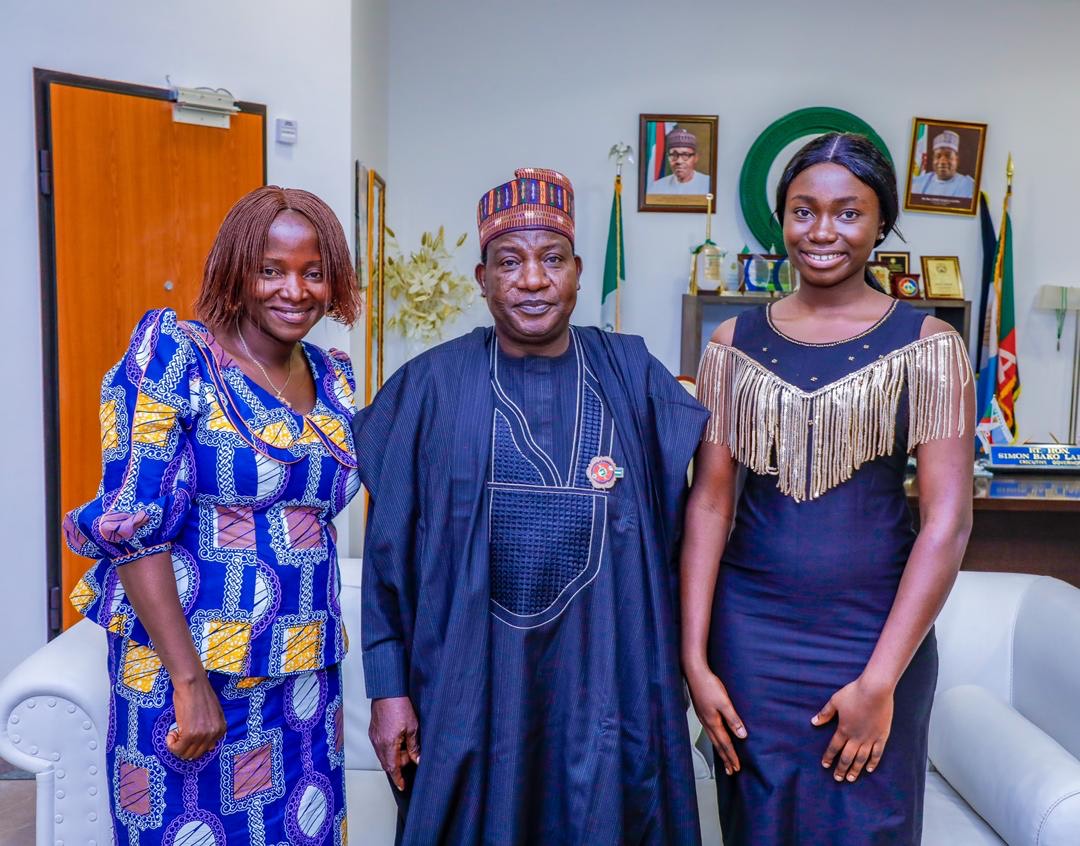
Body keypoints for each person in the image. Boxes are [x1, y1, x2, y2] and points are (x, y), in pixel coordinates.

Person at [355, 167, 709, 844]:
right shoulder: (428, 388)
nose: (533, 280)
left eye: (552, 259)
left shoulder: (634, 376)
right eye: (510, 262)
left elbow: (702, 518)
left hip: (614, 689)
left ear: (577, 273)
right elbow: (386, 554)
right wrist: (387, 686)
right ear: (482, 278)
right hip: (465, 692)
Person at [681, 133, 975, 845]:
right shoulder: (732, 344)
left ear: (882, 223)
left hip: (876, 636)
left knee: (869, 825)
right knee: (756, 827)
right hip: (750, 638)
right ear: (781, 218)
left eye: (848, 213)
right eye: (803, 210)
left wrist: (880, 682)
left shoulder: (930, 345)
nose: (821, 232)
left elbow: (948, 523)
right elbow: (711, 503)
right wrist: (694, 658)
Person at [63, 186, 363, 844]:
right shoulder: (176, 359)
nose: (295, 290)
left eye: (314, 272)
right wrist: (188, 680)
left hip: (304, 677)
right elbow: (134, 528)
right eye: (271, 270)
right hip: (192, 675)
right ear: (236, 270)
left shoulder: (335, 376)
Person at [910, 129, 975, 199]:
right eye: (938, 156)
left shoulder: (969, 186)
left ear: (957, 159)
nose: (942, 161)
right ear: (933, 159)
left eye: (948, 156)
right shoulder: (919, 183)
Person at [648, 127, 711, 195]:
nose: (679, 161)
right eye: (674, 155)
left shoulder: (709, 184)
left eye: (685, 155)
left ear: (695, 158)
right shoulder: (656, 187)